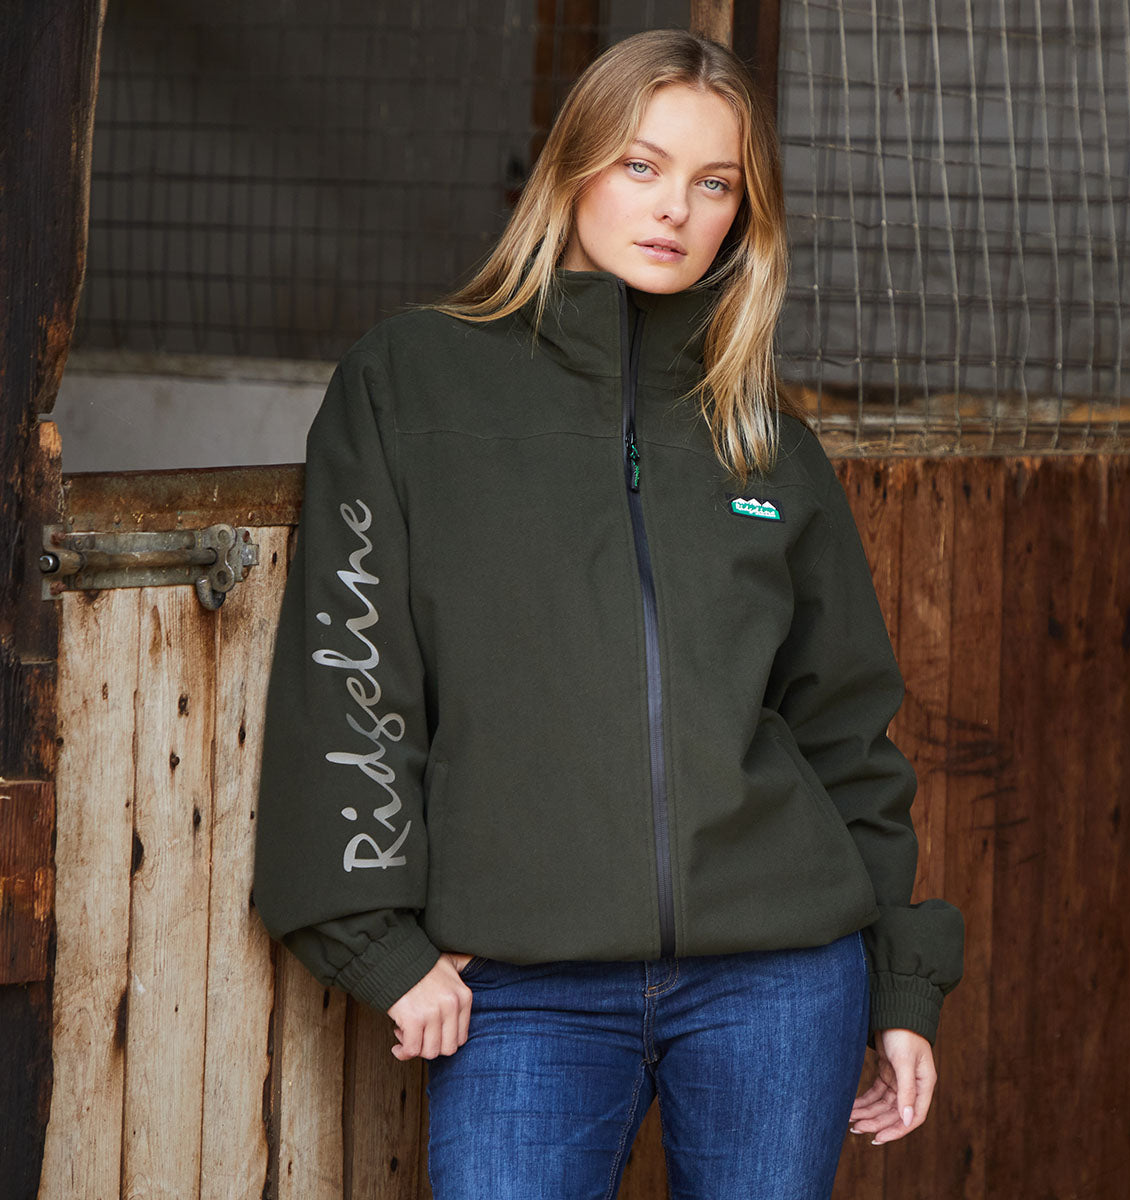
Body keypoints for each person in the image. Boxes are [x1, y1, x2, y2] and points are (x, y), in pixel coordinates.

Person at [253, 27, 963, 1200]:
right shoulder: (412, 383)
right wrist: (378, 939)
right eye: (641, 165)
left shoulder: (763, 435)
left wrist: (898, 987)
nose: (674, 208)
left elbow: (844, 732)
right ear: (573, 166)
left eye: (713, 182)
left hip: (780, 980)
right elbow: (355, 675)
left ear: (744, 210)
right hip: (520, 985)